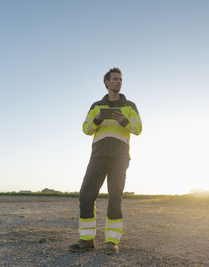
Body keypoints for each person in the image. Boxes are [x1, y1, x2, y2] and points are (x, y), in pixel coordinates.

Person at [68, 67, 142, 255]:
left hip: (120, 156)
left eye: (120, 80)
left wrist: (124, 121)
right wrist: (98, 119)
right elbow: (86, 128)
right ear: (107, 83)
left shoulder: (130, 106)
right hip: (98, 155)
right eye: (115, 79)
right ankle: (86, 241)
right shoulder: (95, 106)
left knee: (115, 198)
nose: (118, 82)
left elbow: (138, 128)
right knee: (86, 195)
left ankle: (112, 241)